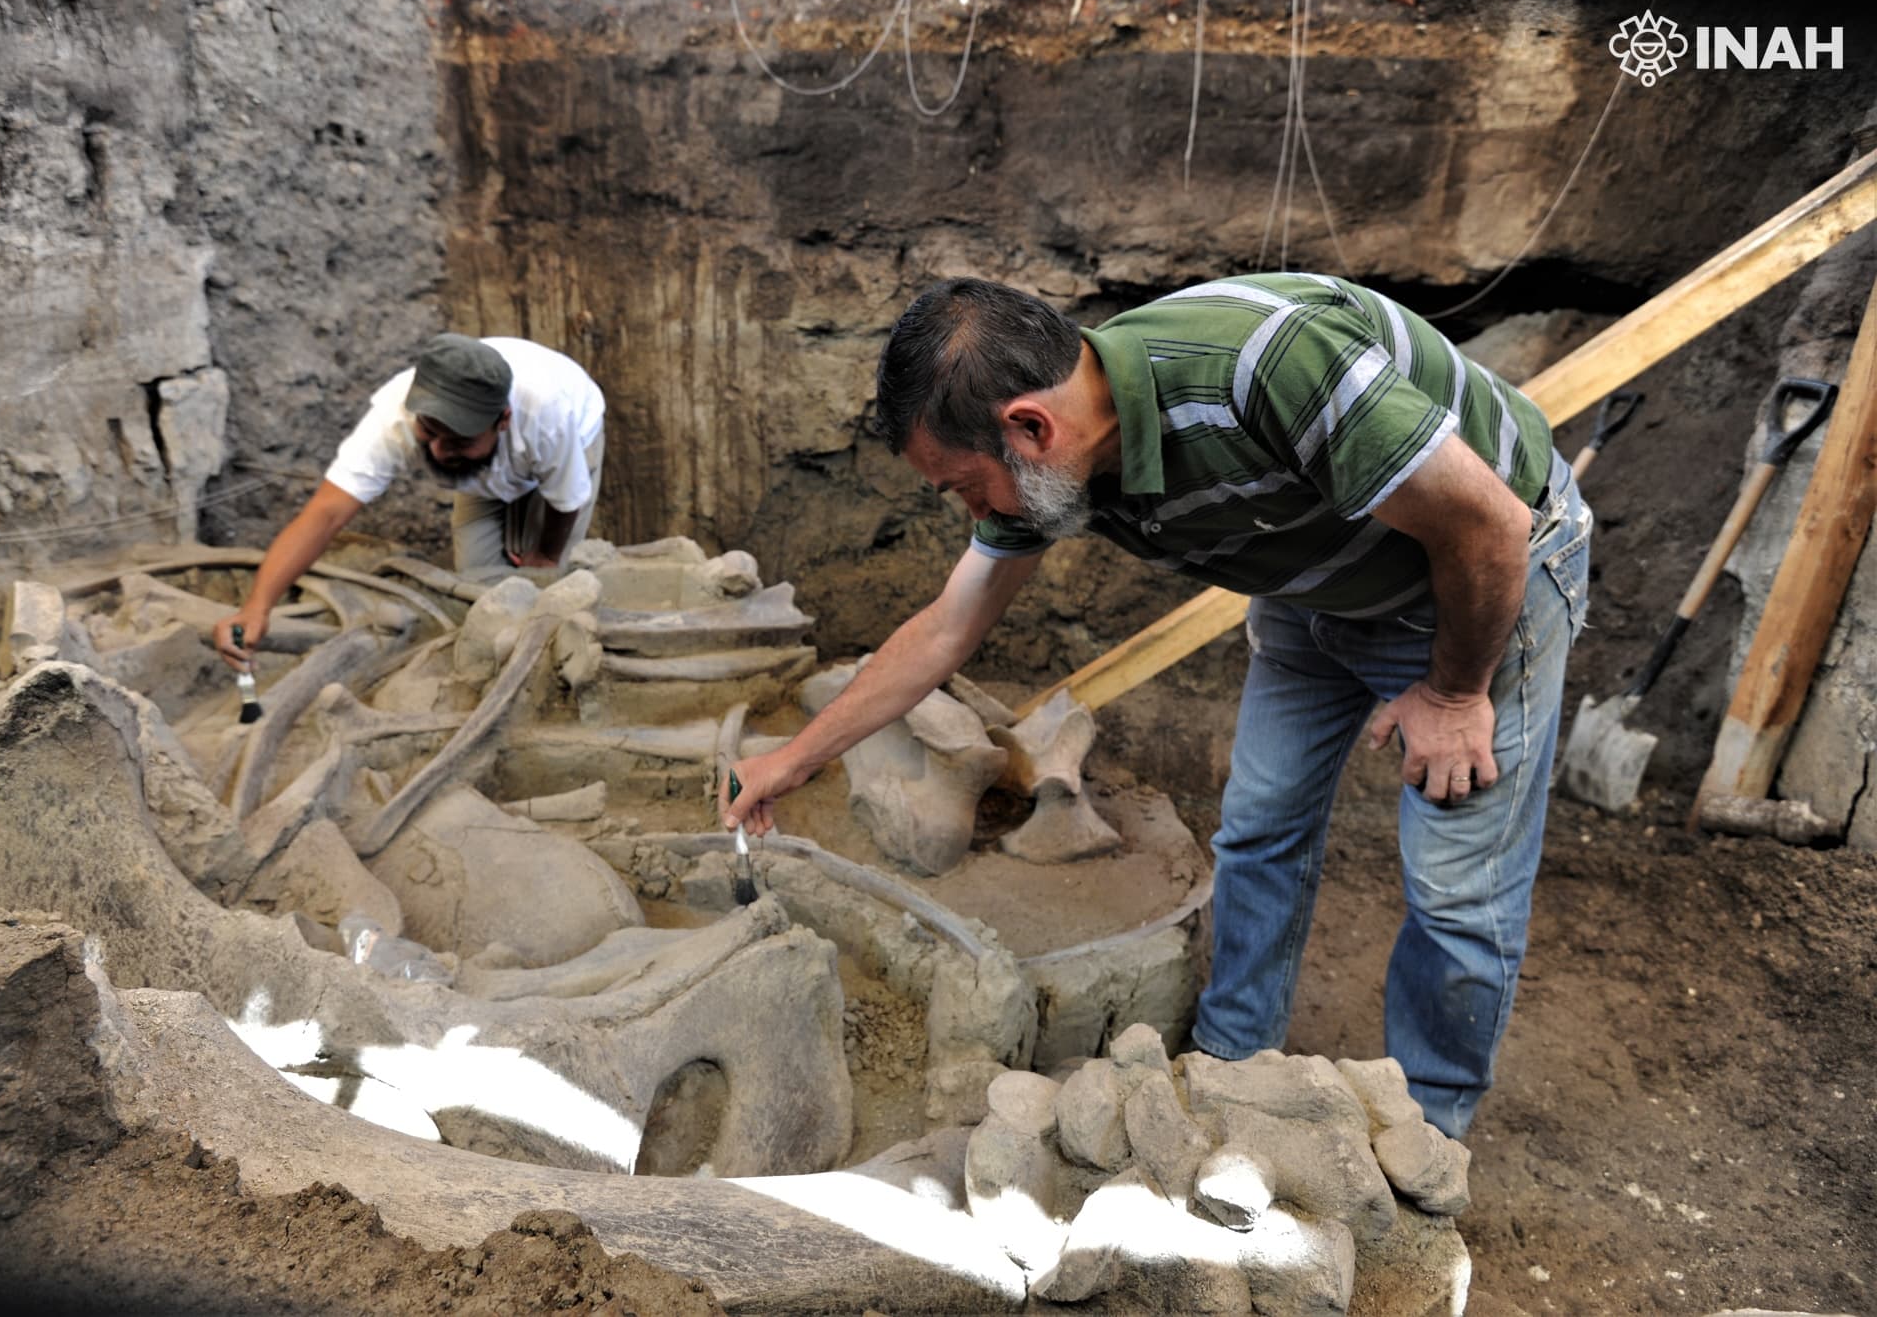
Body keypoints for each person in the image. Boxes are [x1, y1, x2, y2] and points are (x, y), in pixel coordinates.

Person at [722, 274, 1591, 1139]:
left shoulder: (1267, 367)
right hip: (1311, 581)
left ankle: (1424, 1138)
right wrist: (791, 760)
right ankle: (1232, 1061)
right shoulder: (1054, 461)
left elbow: (1488, 524)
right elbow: (947, 628)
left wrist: (1454, 692)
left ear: (1030, 426)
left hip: (1482, 576)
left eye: (964, 487)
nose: (974, 512)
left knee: (1456, 888)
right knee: (1259, 827)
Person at [213, 333, 605, 668]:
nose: (438, 452)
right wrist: (257, 607)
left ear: (502, 420)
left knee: (544, 584)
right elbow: (326, 514)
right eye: (429, 431)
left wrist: (544, 556)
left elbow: (566, 499)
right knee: (477, 582)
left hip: (566, 441)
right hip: (487, 469)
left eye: (458, 440)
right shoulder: (395, 412)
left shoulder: (550, 416)